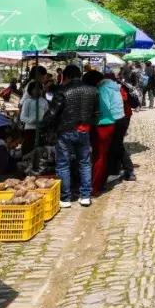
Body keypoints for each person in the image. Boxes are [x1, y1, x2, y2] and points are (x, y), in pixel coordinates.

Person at [51, 64, 99, 208]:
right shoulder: (93, 90)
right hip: (84, 130)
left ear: (66, 77)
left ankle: (65, 198)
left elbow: (53, 113)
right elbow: (96, 113)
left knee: (63, 164)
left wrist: (43, 124)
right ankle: (85, 196)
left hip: (65, 131)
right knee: (84, 163)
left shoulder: (62, 90)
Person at [84, 70, 121, 196]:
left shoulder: (101, 90)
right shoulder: (111, 87)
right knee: (101, 156)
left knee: (99, 156)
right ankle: (98, 183)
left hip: (101, 125)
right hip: (109, 123)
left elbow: (98, 110)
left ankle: (95, 186)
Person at [109, 74, 136, 181]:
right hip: (122, 116)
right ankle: (117, 168)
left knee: (117, 143)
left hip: (122, 117)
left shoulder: (119, 87)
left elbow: (124, 98)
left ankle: (128, 170)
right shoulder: (118, 87)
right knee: (116, 143)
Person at [19, 80, 48, 157]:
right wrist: (31, 121)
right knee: (28, 149)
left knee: (40, 151)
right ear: (30, 90)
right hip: (29, 129)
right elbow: (22, 117)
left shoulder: (44, 102)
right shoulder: (27, 102)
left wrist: (44, 122)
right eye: (35, 89)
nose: (38, 91)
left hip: (41, 130)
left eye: (40, 89)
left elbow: (47, 115)